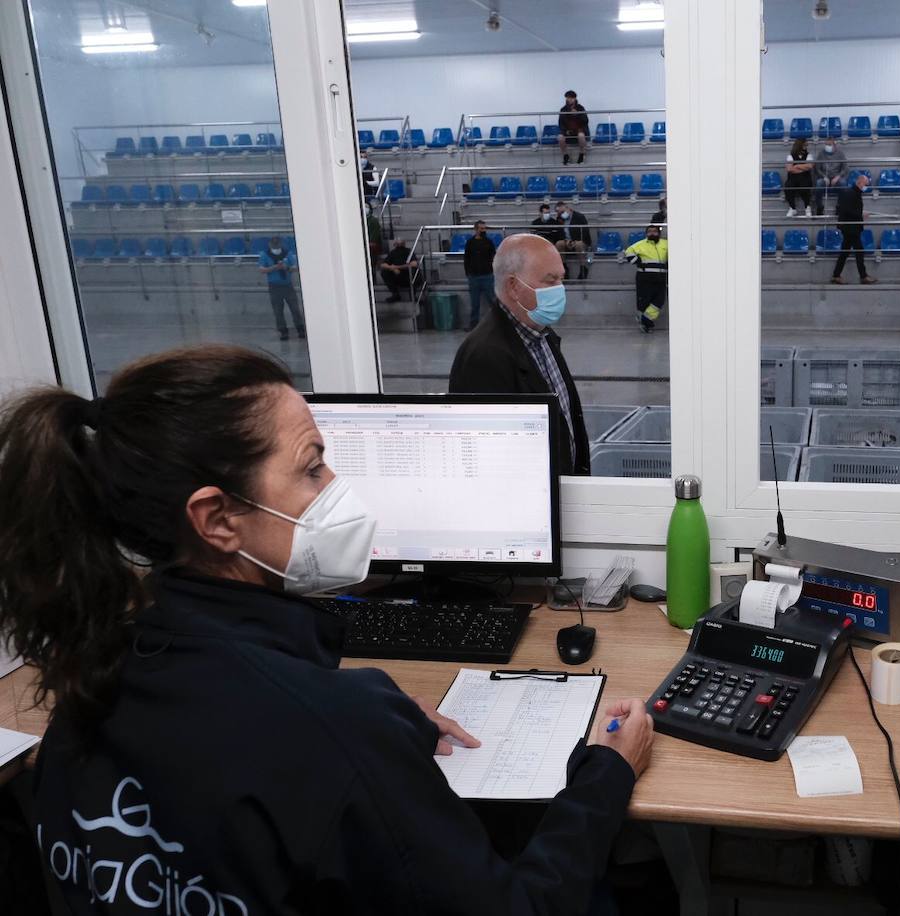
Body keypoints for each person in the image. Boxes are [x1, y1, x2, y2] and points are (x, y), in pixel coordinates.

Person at [0, 345, 651, 912]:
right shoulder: (339, 724)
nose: (338, 487)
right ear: (218, 520)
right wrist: (609, 773)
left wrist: (368, 738)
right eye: (313, 467)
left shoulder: (89, 683)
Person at [449, 234, 591, 476]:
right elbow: (491, 463)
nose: (560, 289)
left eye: (561, 279)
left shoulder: (541, 334)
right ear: (514, 287)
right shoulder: (484, 357)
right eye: (550, 281)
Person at [831, 172, 877, 285]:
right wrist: (861, 215)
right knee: (859, 251)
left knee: (845, 252)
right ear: (859, 182)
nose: (865, 187)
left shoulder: (854, 193)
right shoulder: (850, 193)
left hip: (851, 227)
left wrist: (860, 214)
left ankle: (836, 275)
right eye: (865, 184)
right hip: (850, 227)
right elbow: (846, 210)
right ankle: (863, 276)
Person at [257, 235, 304, 341]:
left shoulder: (287, 253)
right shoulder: (265, 255)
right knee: (278, 311)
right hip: (274, 287)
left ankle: (300, 328)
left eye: (277, 245)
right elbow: (261, 269)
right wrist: (273, 268)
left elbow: (296, 267)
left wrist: (286, 268)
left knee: (295, 308)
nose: (276, 247)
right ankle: (283, 331)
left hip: (287, 285)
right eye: (274, 245)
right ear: (270, 245)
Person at [623, 224, 668, 333]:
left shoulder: (666, 244)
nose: (652, 233)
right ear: (646, 233)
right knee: (644, 301)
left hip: (661, 278)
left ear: (659, 233)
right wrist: (637, 261)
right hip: (644, 278)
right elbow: (628, 252)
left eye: (654, 231)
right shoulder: (640, 244)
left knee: (659, 301)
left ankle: (645, 319)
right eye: (649, 231)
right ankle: (646, 324)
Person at [463, 220, 497, 331]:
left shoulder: (489, 242)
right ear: (476, 229)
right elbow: (466, 258)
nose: (483, 230)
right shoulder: (470, 242)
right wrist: (468, 273)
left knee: (492, 301)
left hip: (487, 275)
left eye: (484, 228)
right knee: (475, 303)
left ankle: (498, 324)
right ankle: (473, 324)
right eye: (481, 228)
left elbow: (494, 256)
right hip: (474, 277)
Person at [554, 201, 592, 280]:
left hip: (579, 241)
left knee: (579, 245)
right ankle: (564, 268)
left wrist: (574, 241)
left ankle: (583, 267)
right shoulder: (559, 219)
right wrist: (566, 241)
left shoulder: (579, 217)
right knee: (558, 244)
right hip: (567, 241)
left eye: (562, 212)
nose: (561, 214)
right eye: (559, 213)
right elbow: (559, 233)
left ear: (568, 209)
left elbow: (585, 232)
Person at [812, 139, 847, 217]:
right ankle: (820, 207)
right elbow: (817, 168)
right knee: (818, 184)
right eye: (826, 144)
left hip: (836, 177)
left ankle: (839, 206)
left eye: (829, 145)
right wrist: (824, 177)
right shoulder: (821, 154)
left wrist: (838, 177)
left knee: (843, 183)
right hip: (825, 177)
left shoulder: (840, 154)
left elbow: (845, 168)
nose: (827, 146)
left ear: (834, 145)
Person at [380, 238, 419, 303]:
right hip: (397, 276)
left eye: (400, 243)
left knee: (413, 271)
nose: (398, 245)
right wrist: (391, 268)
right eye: (397, 244)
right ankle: (395, 294)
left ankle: (413, 295)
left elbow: (414, 264)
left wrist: (397, 267)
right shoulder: (392, 253)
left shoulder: (408, 251)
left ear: (404, 244)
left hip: (408, 275)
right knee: (384, 272)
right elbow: (383, 265)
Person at [784, 139, 814, 218]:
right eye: (804, 145)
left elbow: (809, 166)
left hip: (805, 177)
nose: (806, 147)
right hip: (793, 178)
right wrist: (802, 168)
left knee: (804, 186)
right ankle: (792, 208)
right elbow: (789, 168)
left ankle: (807, 207)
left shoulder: (808, 155)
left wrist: (796, 166)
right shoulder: (790, 155)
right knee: (788, 187)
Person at [559, 89, 589, 165]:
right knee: (560, 137)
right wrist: (565, 131)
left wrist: (578, 114)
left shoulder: (580, 108)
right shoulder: (563, 109)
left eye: (571, 98)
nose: (569, 100)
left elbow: (586, 121)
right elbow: (561, 123)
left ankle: (581, 154)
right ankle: (566, 156)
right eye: (567, 98)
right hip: (568, 131)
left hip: (579, 130)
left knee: (581, 136)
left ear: (575, 98)